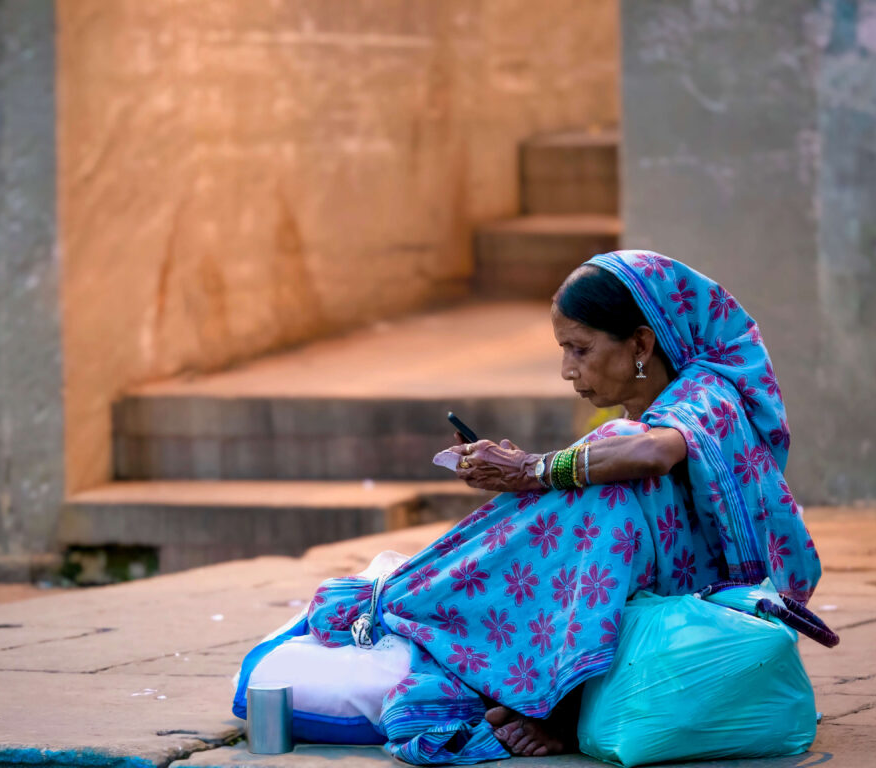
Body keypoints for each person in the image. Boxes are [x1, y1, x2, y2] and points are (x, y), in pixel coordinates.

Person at [233, 251, 821, 764]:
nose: (569, 371)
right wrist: (532, 477)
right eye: (565, 350)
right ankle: (445, 611)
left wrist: (533, 471)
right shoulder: (659, 404)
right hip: (659, 583)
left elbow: (650, 456)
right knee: (587, 479)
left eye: (580, 350)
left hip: (702, 600)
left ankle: (551, 696)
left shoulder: (707, 394)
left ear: (641, 343)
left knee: (605, 492)